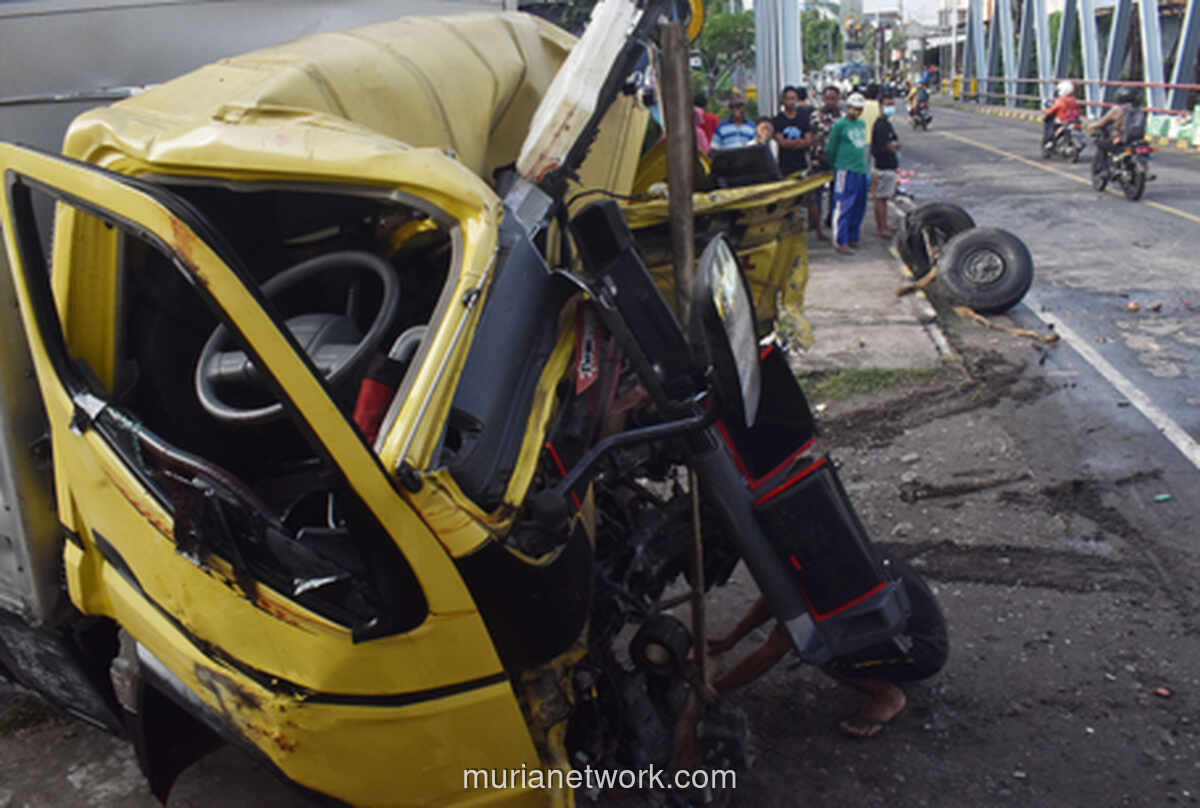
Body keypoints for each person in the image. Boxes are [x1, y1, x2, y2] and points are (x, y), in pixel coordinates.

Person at [708, 573, 948, 738]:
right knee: (816, 633)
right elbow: (777, 599)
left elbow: (771, 652)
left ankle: (888, 695)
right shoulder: (818, 559)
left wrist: (713, 690)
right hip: (902, 625)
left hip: (920, 649)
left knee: (820, 650)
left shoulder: (824, 586)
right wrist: (732, 639)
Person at [824, 92, 870, 254]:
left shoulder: (861, 124)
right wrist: (835, 164)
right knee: (844, 205)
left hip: (860, 169)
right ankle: (840, 240)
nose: (857, 112)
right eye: (854, 108)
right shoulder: (840, 125)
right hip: (845, 169)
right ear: (848, 107)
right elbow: (831, 148)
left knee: (859, 205)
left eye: (860, 109)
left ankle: (853, 236)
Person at [1087, 87, 1144, 179]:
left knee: (1101, 145)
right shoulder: (1139, 110)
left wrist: (1090, 126)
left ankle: (1105, 170)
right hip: (1137, 139)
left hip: (1120, 139)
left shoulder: (1117, 109)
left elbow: (1102, 122)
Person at [809, 84, 842, 241]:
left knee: (837, 194)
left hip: (837, 162)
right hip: (818, 160)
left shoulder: (843, 117)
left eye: (833, 98)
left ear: (838, 99)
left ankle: (833, 222)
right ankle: (817, 227)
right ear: (823, 98)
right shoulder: (815, 116)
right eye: (827, 98)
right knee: (816, 195)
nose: (830, 101)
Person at [870, 91, 901, 237]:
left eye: (892, 104)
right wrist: (893, 146)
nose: (890, 107)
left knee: (884, 198)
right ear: (880, 106)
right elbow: (886, 145)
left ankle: (884, 225)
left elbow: (894, 141)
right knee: (881, 198)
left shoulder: (887, 124)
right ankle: (881, 227)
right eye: (887, 104)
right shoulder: (880, 125)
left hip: (888, 166)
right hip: (883, 166)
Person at [772, 85, 813, 178]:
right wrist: (799, 142)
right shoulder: (777, 120)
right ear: (783, 100)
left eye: (793, 98)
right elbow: (782, 143)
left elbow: (808, 141)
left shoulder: (803, 118)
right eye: (788, 99)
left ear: (797, 100)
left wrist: (790, 143)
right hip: (784, 166)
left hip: (802, 165)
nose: (791, 102)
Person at [1042, 80, 1081, 148]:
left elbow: (1051, 111)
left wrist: (1044, 109)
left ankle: (1050, 141)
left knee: (1050, 124)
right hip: (1074, 121)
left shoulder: (1061, 101)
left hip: (1063, 121)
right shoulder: (1074, 100)